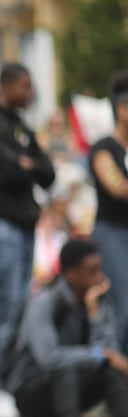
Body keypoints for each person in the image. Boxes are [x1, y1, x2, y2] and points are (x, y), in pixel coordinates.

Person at [5, 239, 128, 417]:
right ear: (71, 273)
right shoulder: (45, 302)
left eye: (99, 269)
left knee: (110, 374)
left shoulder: (100, 301)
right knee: (67, 367)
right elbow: (48, 358)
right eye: (91, 271)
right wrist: (98, 355)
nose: (99, 277)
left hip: (70, 394)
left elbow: (110, 354)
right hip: (32, 392)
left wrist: (94, 314)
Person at [0, 63, 55, 416]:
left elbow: (48, 173)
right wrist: (23, 165)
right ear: (6, 85)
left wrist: (26, 164)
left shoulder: (22, 126)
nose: (30, 93)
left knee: (20, 305)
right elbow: (4, 168)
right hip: (2, 224)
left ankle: (4, 383)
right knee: (6, 307)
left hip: (24, 224)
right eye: (25, 86)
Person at [89, 71, 128, 355]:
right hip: (113, 233)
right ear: (122, 110)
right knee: (123, 303)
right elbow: (116, 188)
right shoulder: (104, 148)